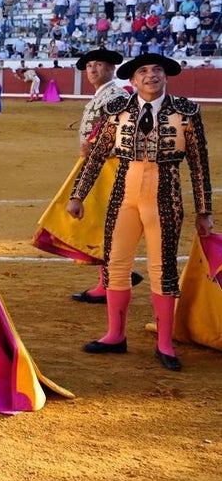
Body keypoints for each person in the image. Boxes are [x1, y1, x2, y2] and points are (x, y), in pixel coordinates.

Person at [66, 53, 213, 371]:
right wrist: (78, 195)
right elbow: (97, 156)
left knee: (164, 270)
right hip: (124, 196)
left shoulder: (186, 112)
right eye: (143, 71)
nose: (151, 75)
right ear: (132, 81)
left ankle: (164, 344)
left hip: (166, 198)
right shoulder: (116, 111)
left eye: (157, 70)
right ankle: (115, 335)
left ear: (166, 77)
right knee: (115, 265)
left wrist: (204, 211)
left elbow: (199, 163)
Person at [66, 49, 141, 304]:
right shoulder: (104, 95)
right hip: (100, 166)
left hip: (110, 169)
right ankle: (111, 279)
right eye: (89, 66)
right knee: (101, 222)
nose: (93, 70)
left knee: (105, 222)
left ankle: (112, 280)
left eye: (99, 65)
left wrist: (96, 146)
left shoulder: (116, 95)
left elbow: (125, 132)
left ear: (111, 69)